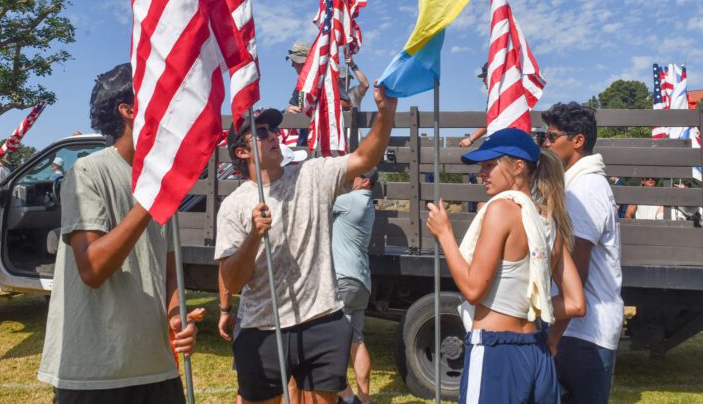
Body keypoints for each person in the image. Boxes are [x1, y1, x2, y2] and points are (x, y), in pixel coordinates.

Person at [216, 85, 397, 404]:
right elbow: (231, 282)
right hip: (262, 329)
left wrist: (386, 114)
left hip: (322, 321)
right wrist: (254, 237)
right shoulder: (234, 205)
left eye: (273, 129)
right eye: (261, 132)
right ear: (241, 152)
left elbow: (365, 156)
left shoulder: (313, 174)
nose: (273, 135)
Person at [37, 63, 201, 402]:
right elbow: (93, 269)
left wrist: (176, 317)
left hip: (156, 366)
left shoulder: (160, 180)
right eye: (157, 97)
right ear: (128, 111)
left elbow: (169, 273)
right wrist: (149, 200)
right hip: (95, 374)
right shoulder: (88, 171)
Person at [425, 128, 585, 403]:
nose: (482, 173)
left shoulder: (501, 209)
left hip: (495, 349)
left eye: (490, 165)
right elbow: (575, 303)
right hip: (537, 351)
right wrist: (531, 311)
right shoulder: (549, 220)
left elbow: (474, 289)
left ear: (518, 166)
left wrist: (444, 235)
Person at [541, 102, 623, 404]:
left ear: (577, 140)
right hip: (580, 330)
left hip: (582, 333)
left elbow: (575, 270)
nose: (545, 143)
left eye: (551, 137)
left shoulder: (584, 189)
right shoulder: (579, 183)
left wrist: (552, 336)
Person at [332, 168, 378, 404]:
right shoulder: (367, 203)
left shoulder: (349, 201)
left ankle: (347, 398)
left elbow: (320, 202)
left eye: (355, 177)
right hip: (361, 280)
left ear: (365, 181)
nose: (350, 180)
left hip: (343, 278)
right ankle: (365, 398)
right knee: (356, 340)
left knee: (331, 340)